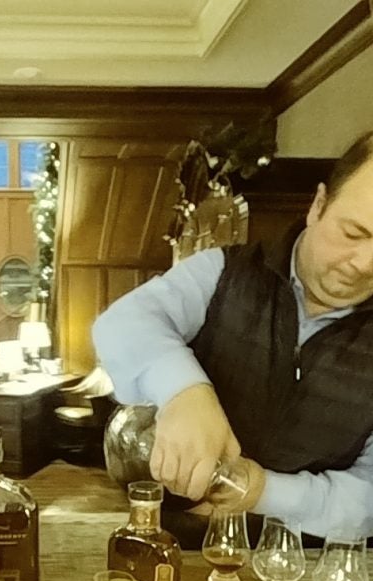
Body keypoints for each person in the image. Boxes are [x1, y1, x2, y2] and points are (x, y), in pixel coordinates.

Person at [93, 131, 373, 547]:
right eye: (353, 233)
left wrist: (261, 490)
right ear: (318, 205)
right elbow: (123, 322)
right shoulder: (224, 272)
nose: (365, 264)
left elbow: (369, 499)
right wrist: (185, 393)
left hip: (306, 565)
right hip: (178, 548)